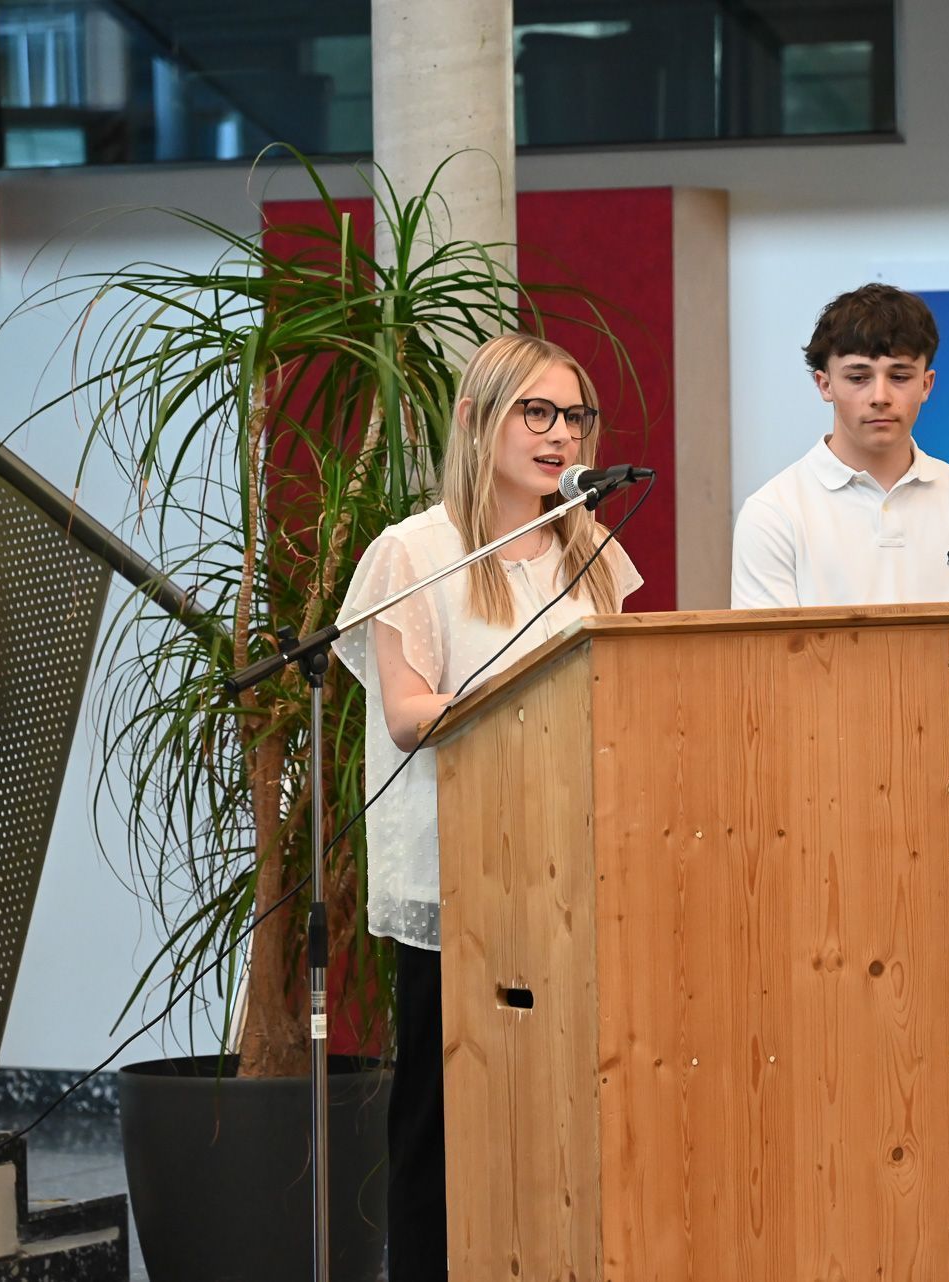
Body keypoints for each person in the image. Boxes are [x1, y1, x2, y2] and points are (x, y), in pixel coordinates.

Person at [332, 332, 643, 1282]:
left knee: (561, 1106)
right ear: (475, 419)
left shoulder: (593, 548)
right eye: (535, 412)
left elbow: (621, 698)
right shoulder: (415, 552)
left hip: (571, 868)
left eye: (575, 416)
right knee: (442, 1115)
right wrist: (528, 700)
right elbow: (406, 715)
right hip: (459, 874)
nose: (561, 436)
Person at [729, 281, 949, 1187]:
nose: (879, 396)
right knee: (830, 1027)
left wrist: (917, 774)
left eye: (900, 375)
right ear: (822, 382)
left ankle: (933, 1232)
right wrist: (886, 782)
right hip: (817, 788)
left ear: (929, 384)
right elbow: (775, 683)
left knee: (941, 1025)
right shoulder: (775, 511)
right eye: (858, 375)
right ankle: (831, 1222)